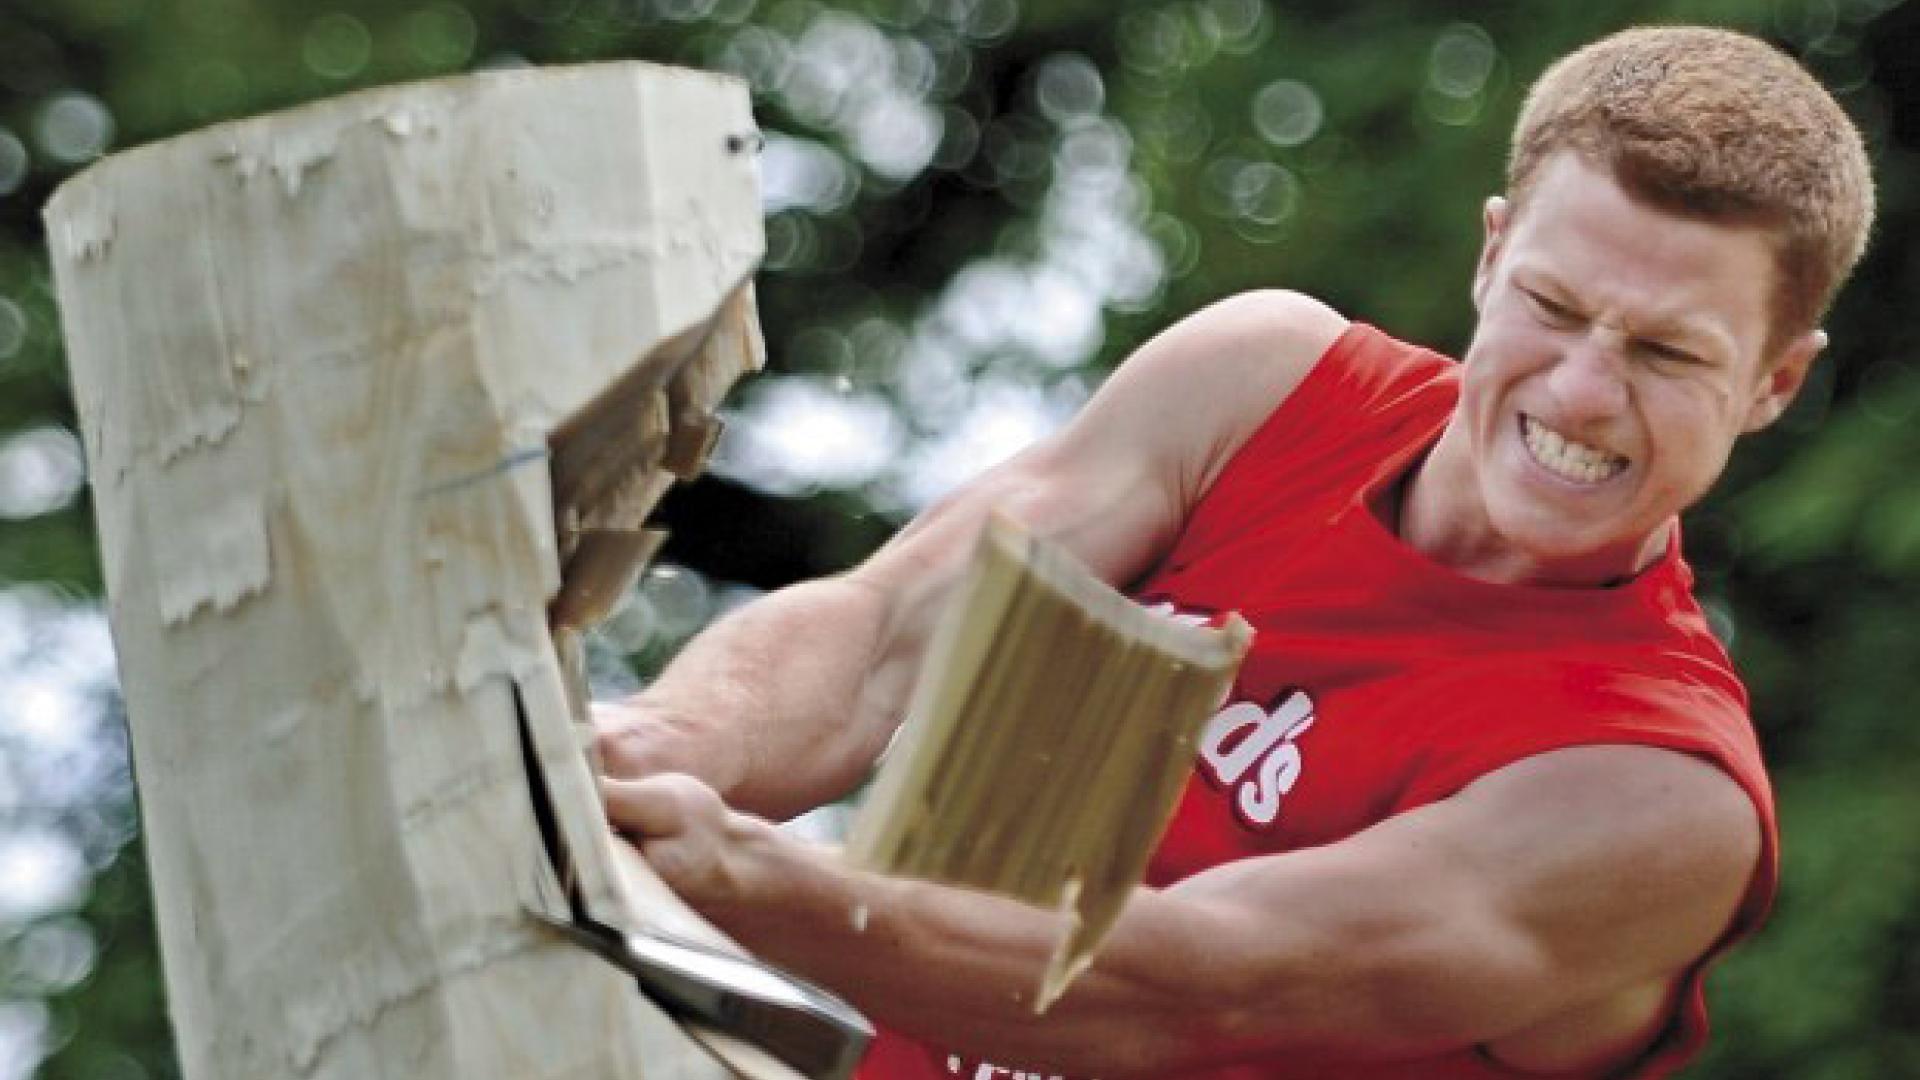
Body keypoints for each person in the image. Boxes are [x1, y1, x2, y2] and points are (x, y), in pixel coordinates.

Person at [593, 25, 1874, 1080]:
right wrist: (641, 759)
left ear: (1773, 382)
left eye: (1667, 352)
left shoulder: (1659, 794)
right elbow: (883, 637)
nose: (1585, 393)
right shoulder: (1266, 388)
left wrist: (738, 873)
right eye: (1554, 306)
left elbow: (1194, 987)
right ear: (1493, 257)